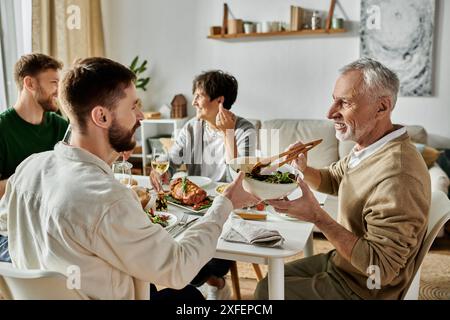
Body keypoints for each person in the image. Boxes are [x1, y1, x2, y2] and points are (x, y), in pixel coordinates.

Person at [0, 57, 259, 300]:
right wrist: (224, 205)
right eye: (133, 106)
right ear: (101, 116)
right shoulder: (109, 200)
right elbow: (178, 268)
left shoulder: (28, 168)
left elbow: (6, 227)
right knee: (189, 296)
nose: (141, 116)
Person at [255, 58, 431, 300]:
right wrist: (304, 169)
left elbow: (382, 269)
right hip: (344, 264)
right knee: (271, 280)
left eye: (345, 102)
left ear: (382, 107)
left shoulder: (398, 175)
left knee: (267, 291)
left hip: (364, 287)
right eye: (333, 99)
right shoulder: (372, 147)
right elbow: (337, 179)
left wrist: (317, 216)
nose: (330, 113)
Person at [158, 70, 257, 300]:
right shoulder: (192, 127)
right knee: (169, 251)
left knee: (201, 260)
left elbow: (240, 177)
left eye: (199, 95)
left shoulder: (245, 130)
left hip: (229, 212)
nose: (193, 101)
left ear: (219, 101)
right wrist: (161, 170)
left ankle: (213, 281)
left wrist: (228, 134)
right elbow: (171, 161)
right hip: (192, 209)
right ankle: (214, 283)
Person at [0, 53, 68, 262]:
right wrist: (32, 180)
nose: (59, 90)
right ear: (29, 83)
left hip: (54, 223)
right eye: (54, 83)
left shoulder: (61, 125)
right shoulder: (2, 129)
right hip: (11, 228)